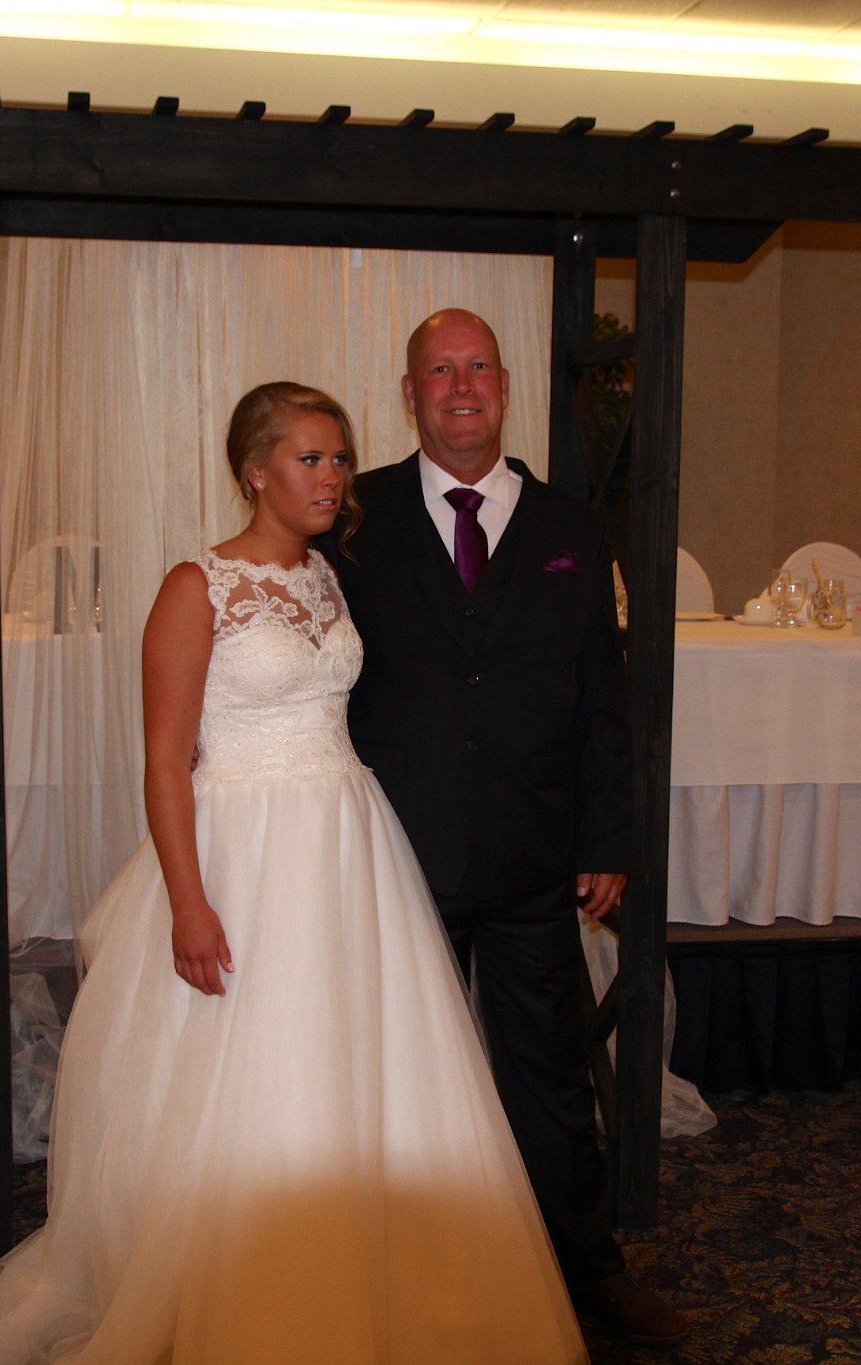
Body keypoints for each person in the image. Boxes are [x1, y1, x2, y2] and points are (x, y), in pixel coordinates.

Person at [0, 382, 586, 1365]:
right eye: (308, 459)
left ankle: (369, 1279)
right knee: (256, 1073)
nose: (331, 478)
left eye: (339, 459)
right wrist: (189, 902)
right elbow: (164, 761)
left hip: (348, 846)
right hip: (243, 850)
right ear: (254, 471)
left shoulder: (329, 577)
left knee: (358, 1062)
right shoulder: (196, 586)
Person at [318, 309, 690, 1346]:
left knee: (550, 1079)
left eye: (477, 365)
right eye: (439, 371)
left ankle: (587, 1274)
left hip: (536, 853)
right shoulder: (354, 516)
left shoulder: (572, 525)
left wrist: (607, 837)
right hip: (397, 857)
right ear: (409, 396)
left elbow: (602, 697)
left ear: (504, 384)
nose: (461, 386)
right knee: (399, 1078)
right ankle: (408, 1277)